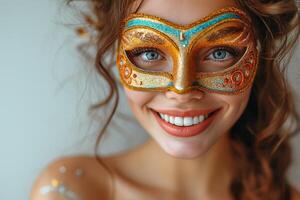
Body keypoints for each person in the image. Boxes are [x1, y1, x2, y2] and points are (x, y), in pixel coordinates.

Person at [30, 0, 300, 199]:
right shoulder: (70, 190)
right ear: (114, 52)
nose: (181, 90)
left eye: (219, 53)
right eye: (149, 53)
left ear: (259, 54)